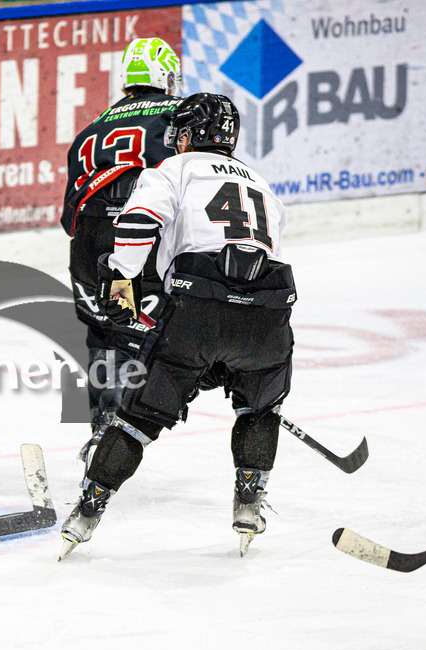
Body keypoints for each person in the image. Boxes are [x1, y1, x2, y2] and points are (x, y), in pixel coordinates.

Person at [58, 93, 297, 560]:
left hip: (197, 310)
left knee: (137, 419)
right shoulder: (262, 185)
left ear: (188, 135)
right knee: (259, 409)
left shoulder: (173, 170)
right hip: (269, 315)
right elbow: (264, 259)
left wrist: (123, 277)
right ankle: (249, 503)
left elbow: (139, 221)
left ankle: (86, 511)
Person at [59, 37, 183, 463]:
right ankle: (123, 434)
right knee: (147, 334)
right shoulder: (177, 114)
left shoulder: (92, 127)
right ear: (166, 77)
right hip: (137, 236)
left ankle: (101, 430)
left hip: (88, 243)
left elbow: (68, 216)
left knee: (104, 335)